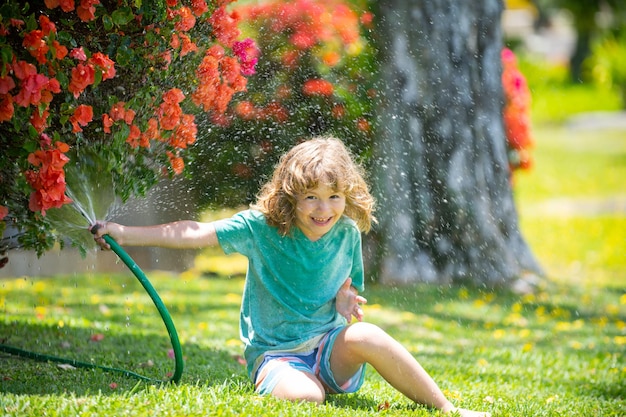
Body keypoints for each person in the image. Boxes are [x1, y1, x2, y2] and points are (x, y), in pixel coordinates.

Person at [92, 137, 490, 416]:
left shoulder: (347, 233)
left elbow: (343, 287)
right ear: (291, 195)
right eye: (311, 196)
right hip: (277, 353)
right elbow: (195, 231)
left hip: (329, 348)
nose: (324, 209)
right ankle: (291, 382)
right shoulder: (261, 228)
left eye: (334, 197)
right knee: (305, 398)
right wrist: (124, 233)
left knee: (369, 335)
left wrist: (344, 301)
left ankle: (446, 408)